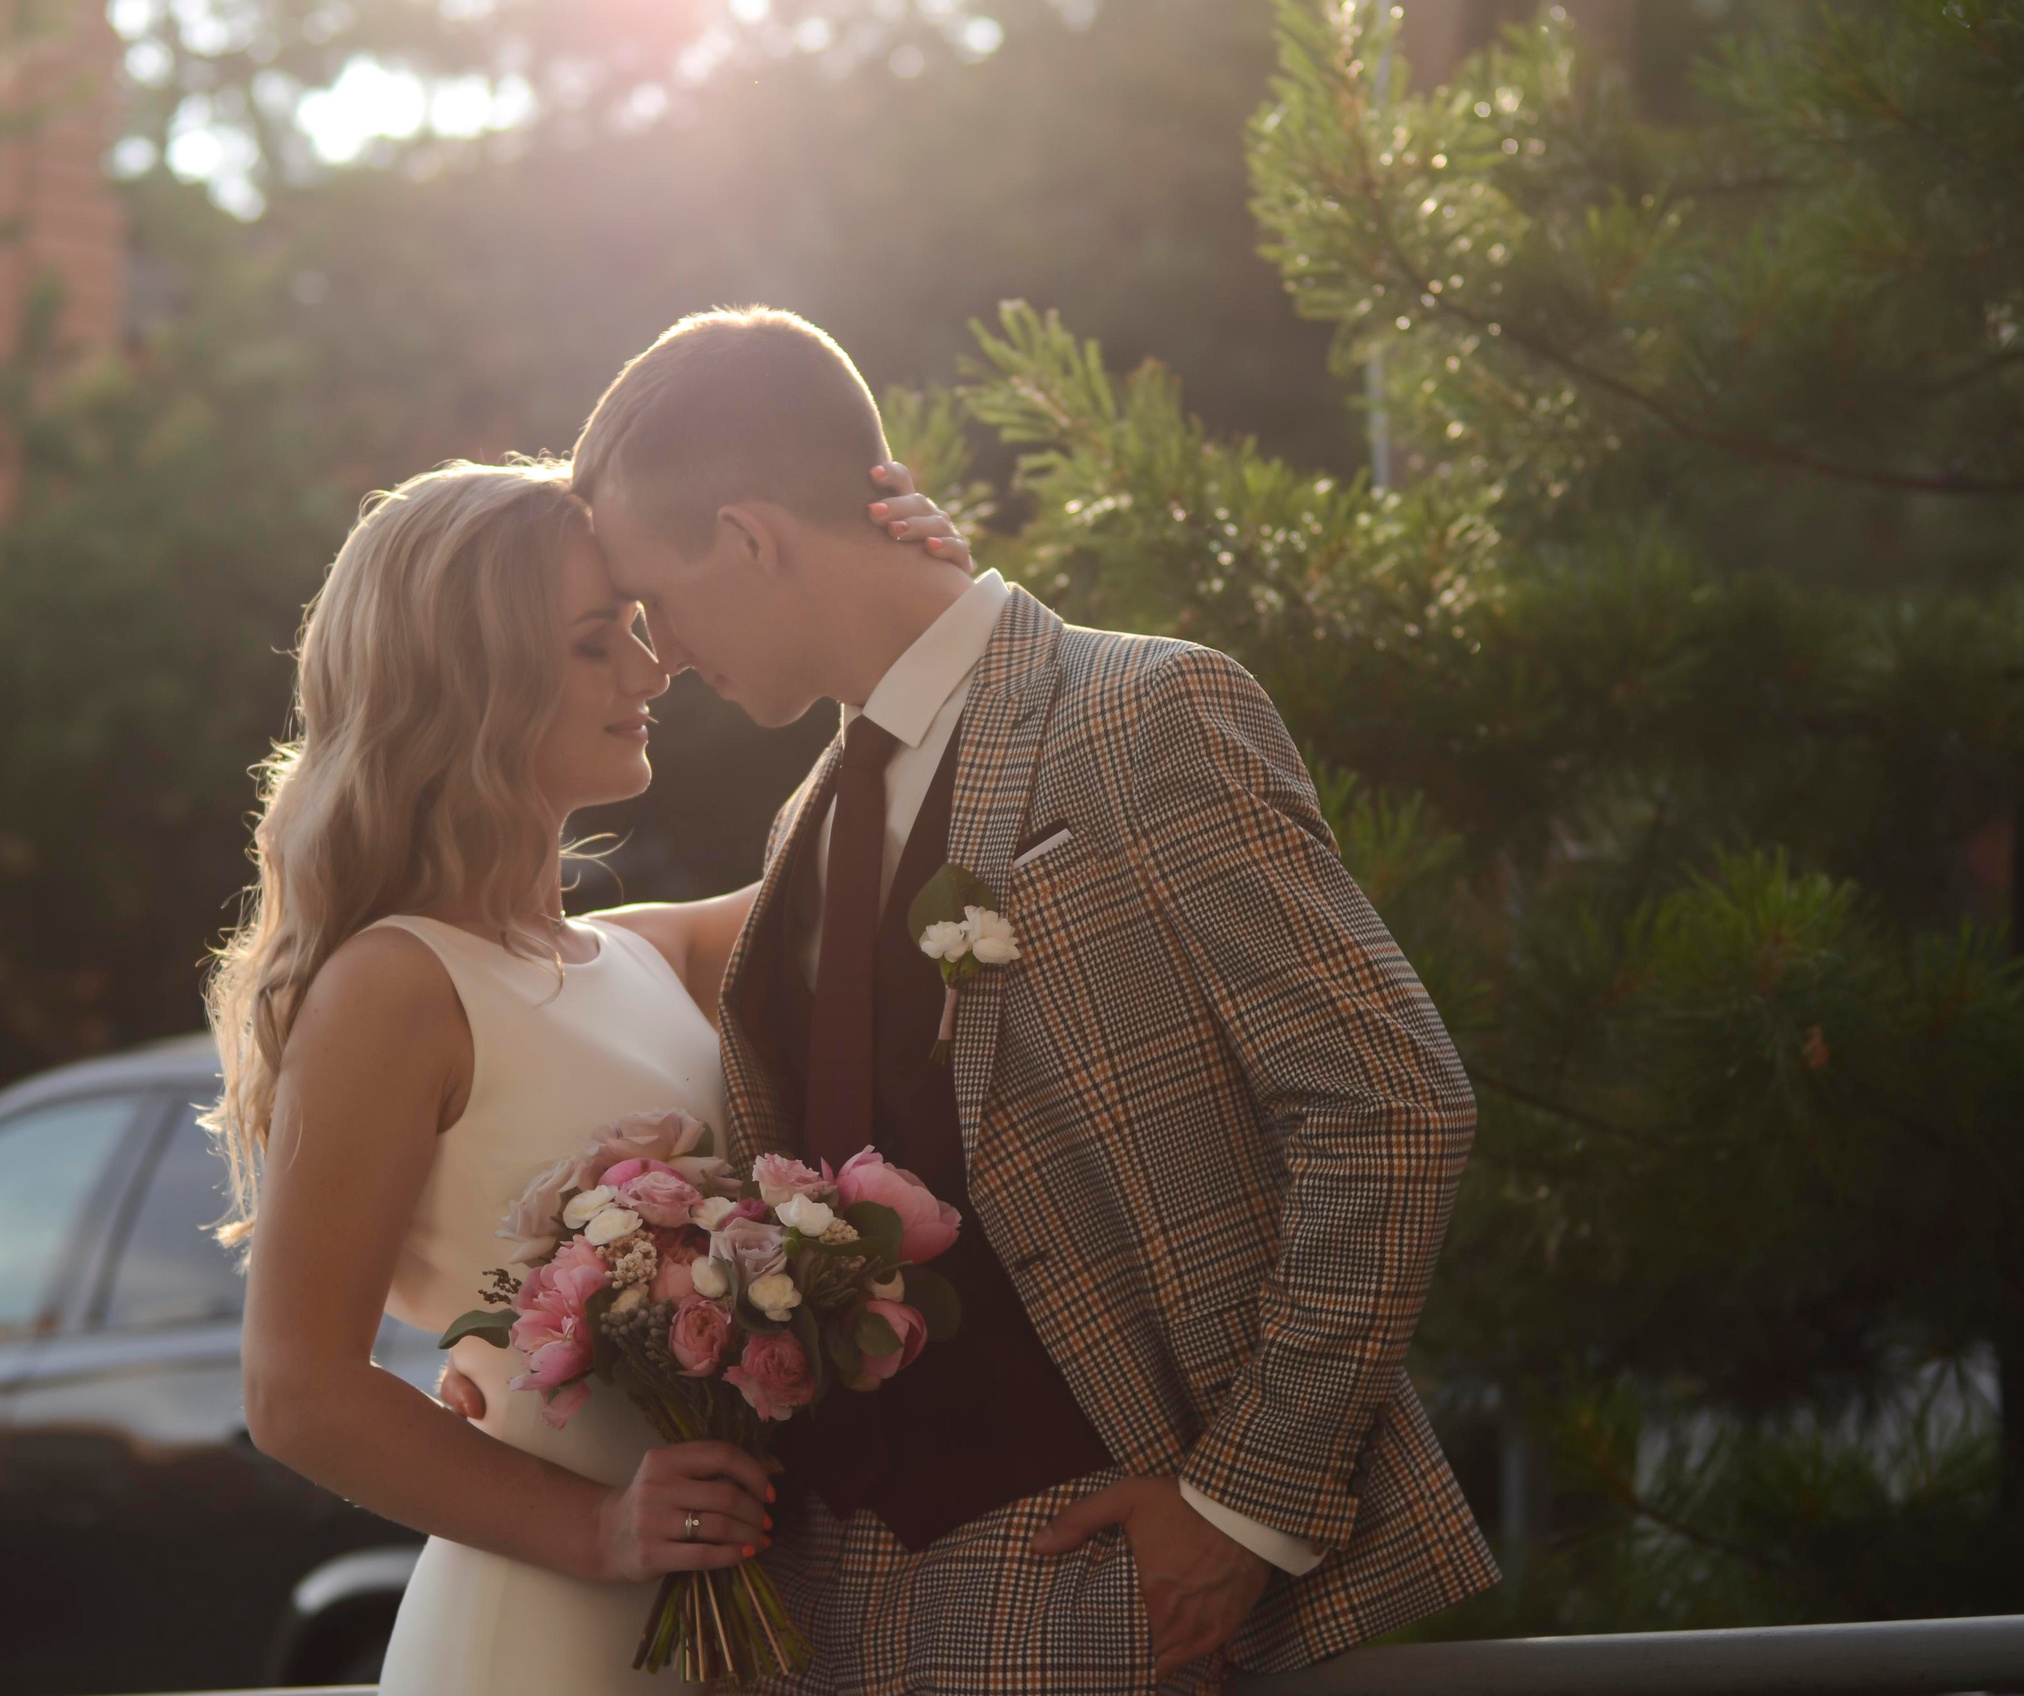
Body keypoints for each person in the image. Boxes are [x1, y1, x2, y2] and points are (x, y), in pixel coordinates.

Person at [556, 306, 1502, 1694]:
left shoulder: (1144, 716)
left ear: (752, 538)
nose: (667, 654)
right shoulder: (806, 823)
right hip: (831, 1610)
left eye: (659, 598)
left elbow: (1391, 1108)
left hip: (1114, 1588)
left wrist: (1245, 1502)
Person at [203, 456, 972, 1694]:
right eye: (592, 642)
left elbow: (883, 835)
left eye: (632, 629)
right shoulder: (396, 985)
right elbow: (295, 1389)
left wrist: (928, 611)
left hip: (737, 1615)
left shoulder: (644, 950)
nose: (650, 669)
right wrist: (598, 1529)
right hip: (549, 1632)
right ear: (473, 682)